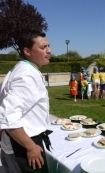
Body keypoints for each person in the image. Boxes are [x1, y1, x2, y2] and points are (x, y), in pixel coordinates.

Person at [0, 30, 52, 173]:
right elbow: (9, 116)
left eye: (48, 46)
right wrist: (30, 147)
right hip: (24, 142)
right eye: (43, 47)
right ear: (27, 51)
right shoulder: (26, 75)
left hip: (17, 139)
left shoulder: (24, 69)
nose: (49, 51)